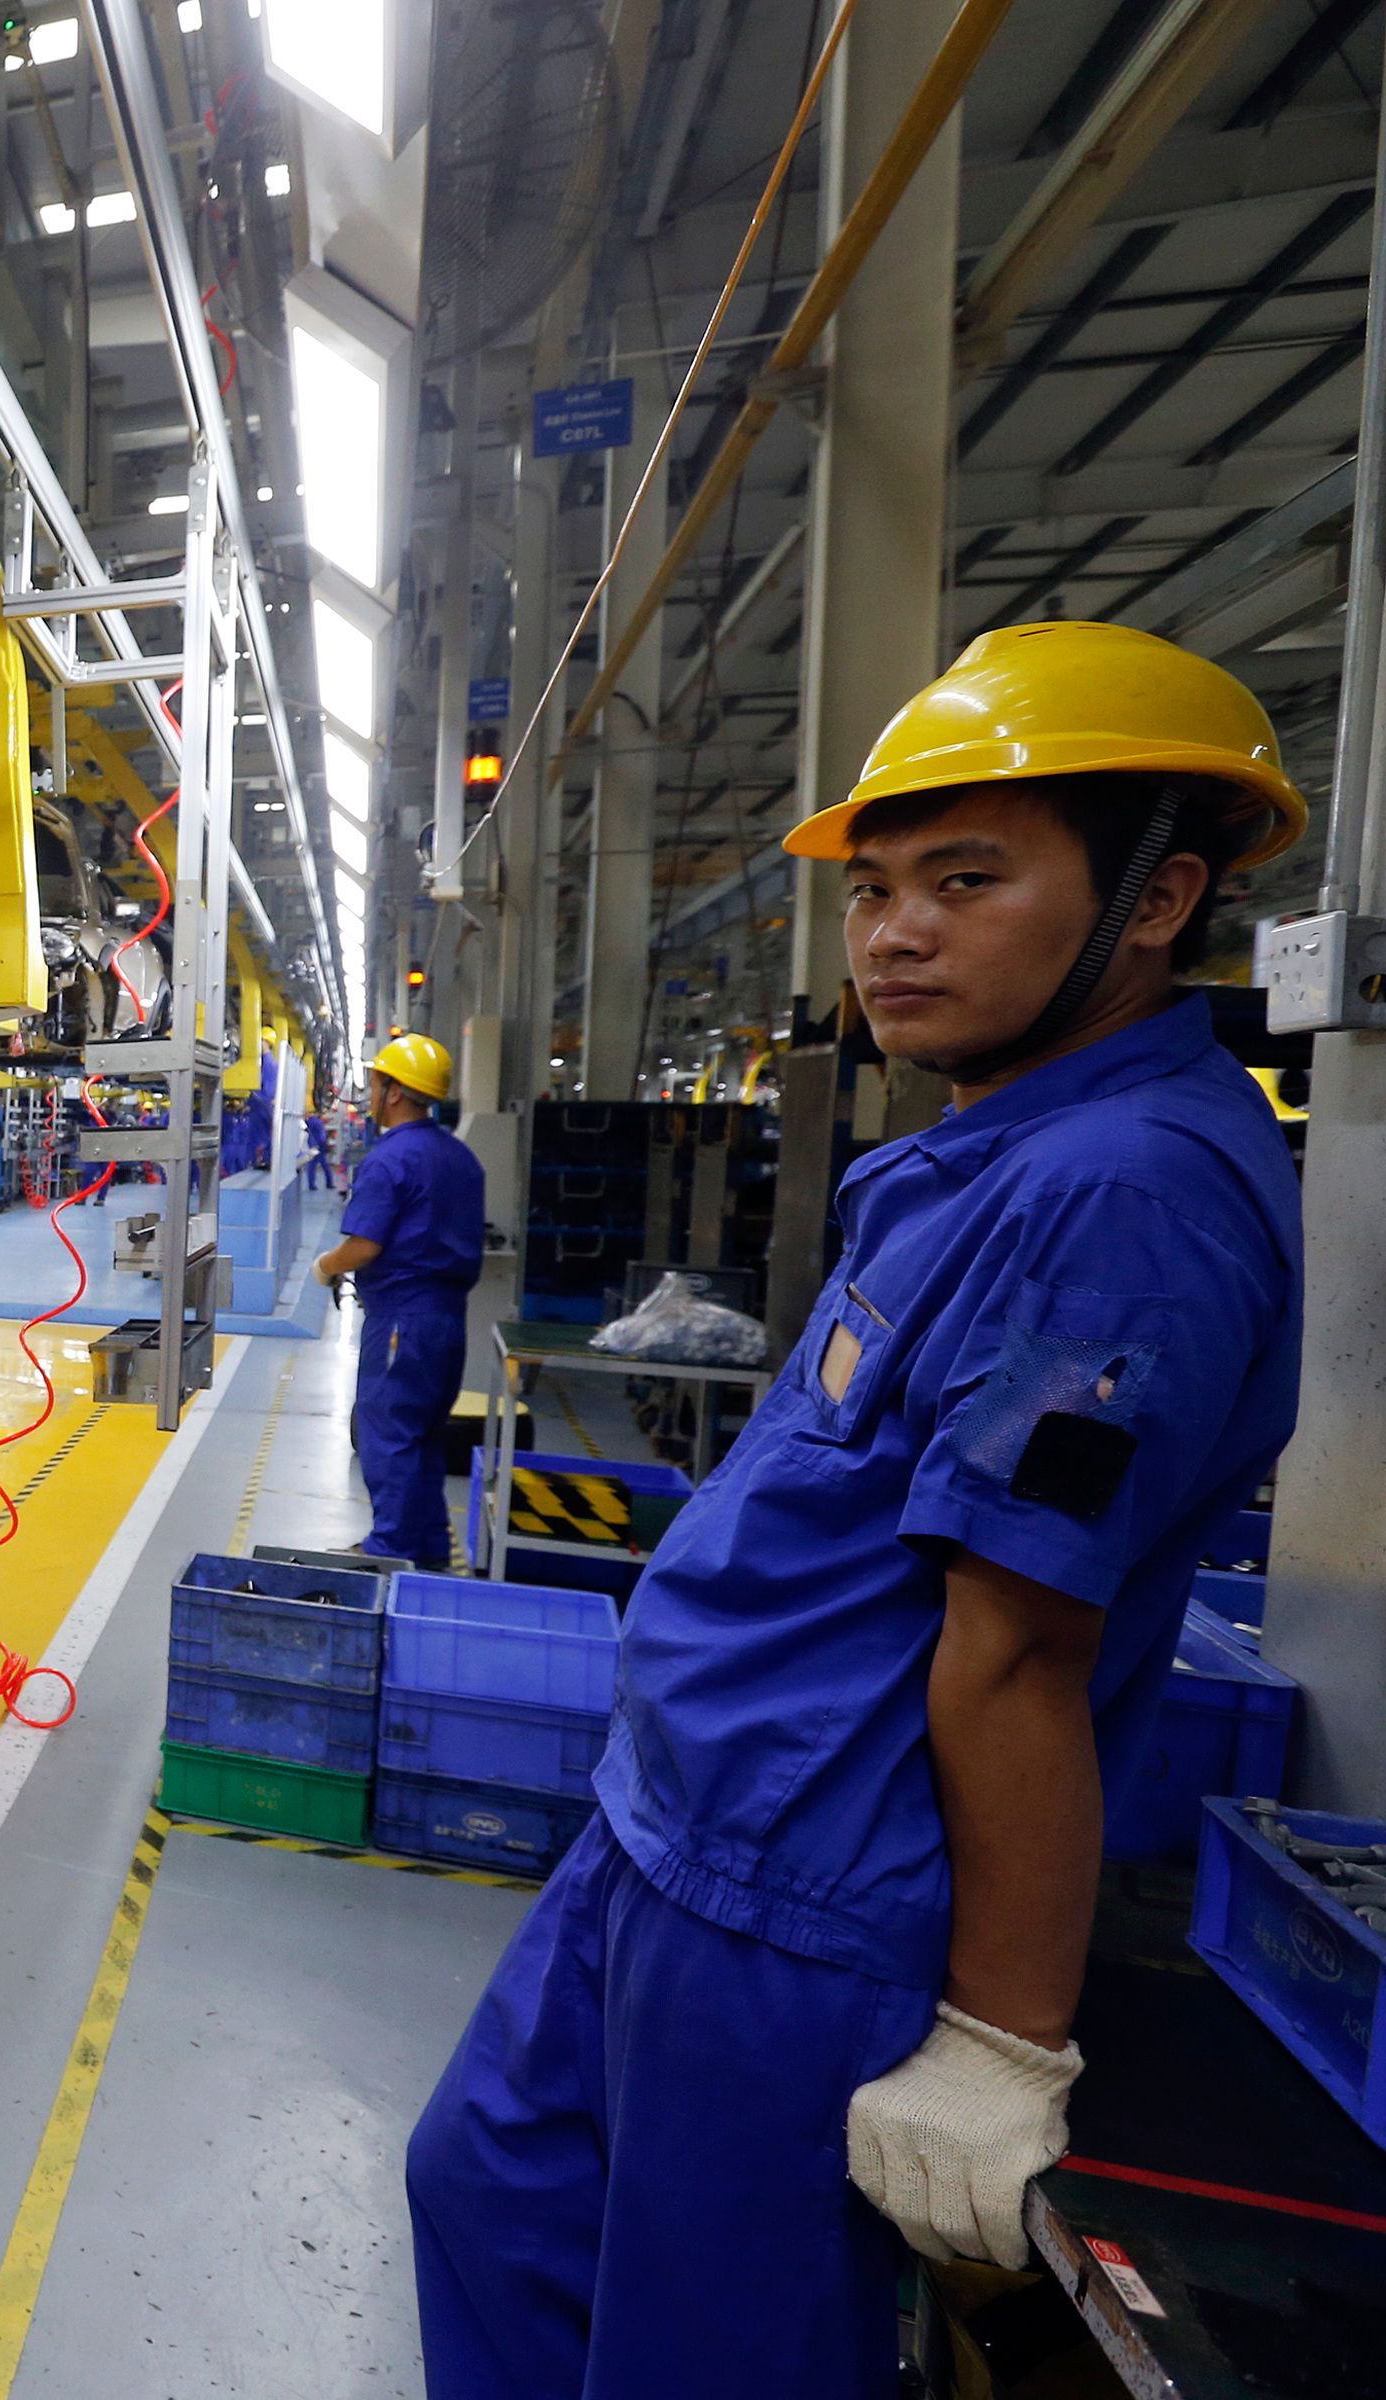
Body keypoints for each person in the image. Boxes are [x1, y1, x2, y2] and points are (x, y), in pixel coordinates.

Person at [405, 623, 1306, 2399]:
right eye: (875, 890)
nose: (893, 934)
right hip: (673, 1824)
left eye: (966, 882)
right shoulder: (986, 1152)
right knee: (492, 2199)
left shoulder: (1124, 1201)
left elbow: (1019, 1650)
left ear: (1156, 900)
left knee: (696, 2357)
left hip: (800, 1902)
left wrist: (1001, 2039)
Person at [311, 1035, 481, 1568]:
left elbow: (365, 1245)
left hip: (401, 1322)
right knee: (424, 1436)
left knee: (388, 1436)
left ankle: (388, 1553)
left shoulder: (390, 1159)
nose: (370, 1093)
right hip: (448, 1320)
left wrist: (326, 1266)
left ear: (395, 1091)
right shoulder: (460, 1157)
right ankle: (427, 1551)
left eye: (376, 1083)